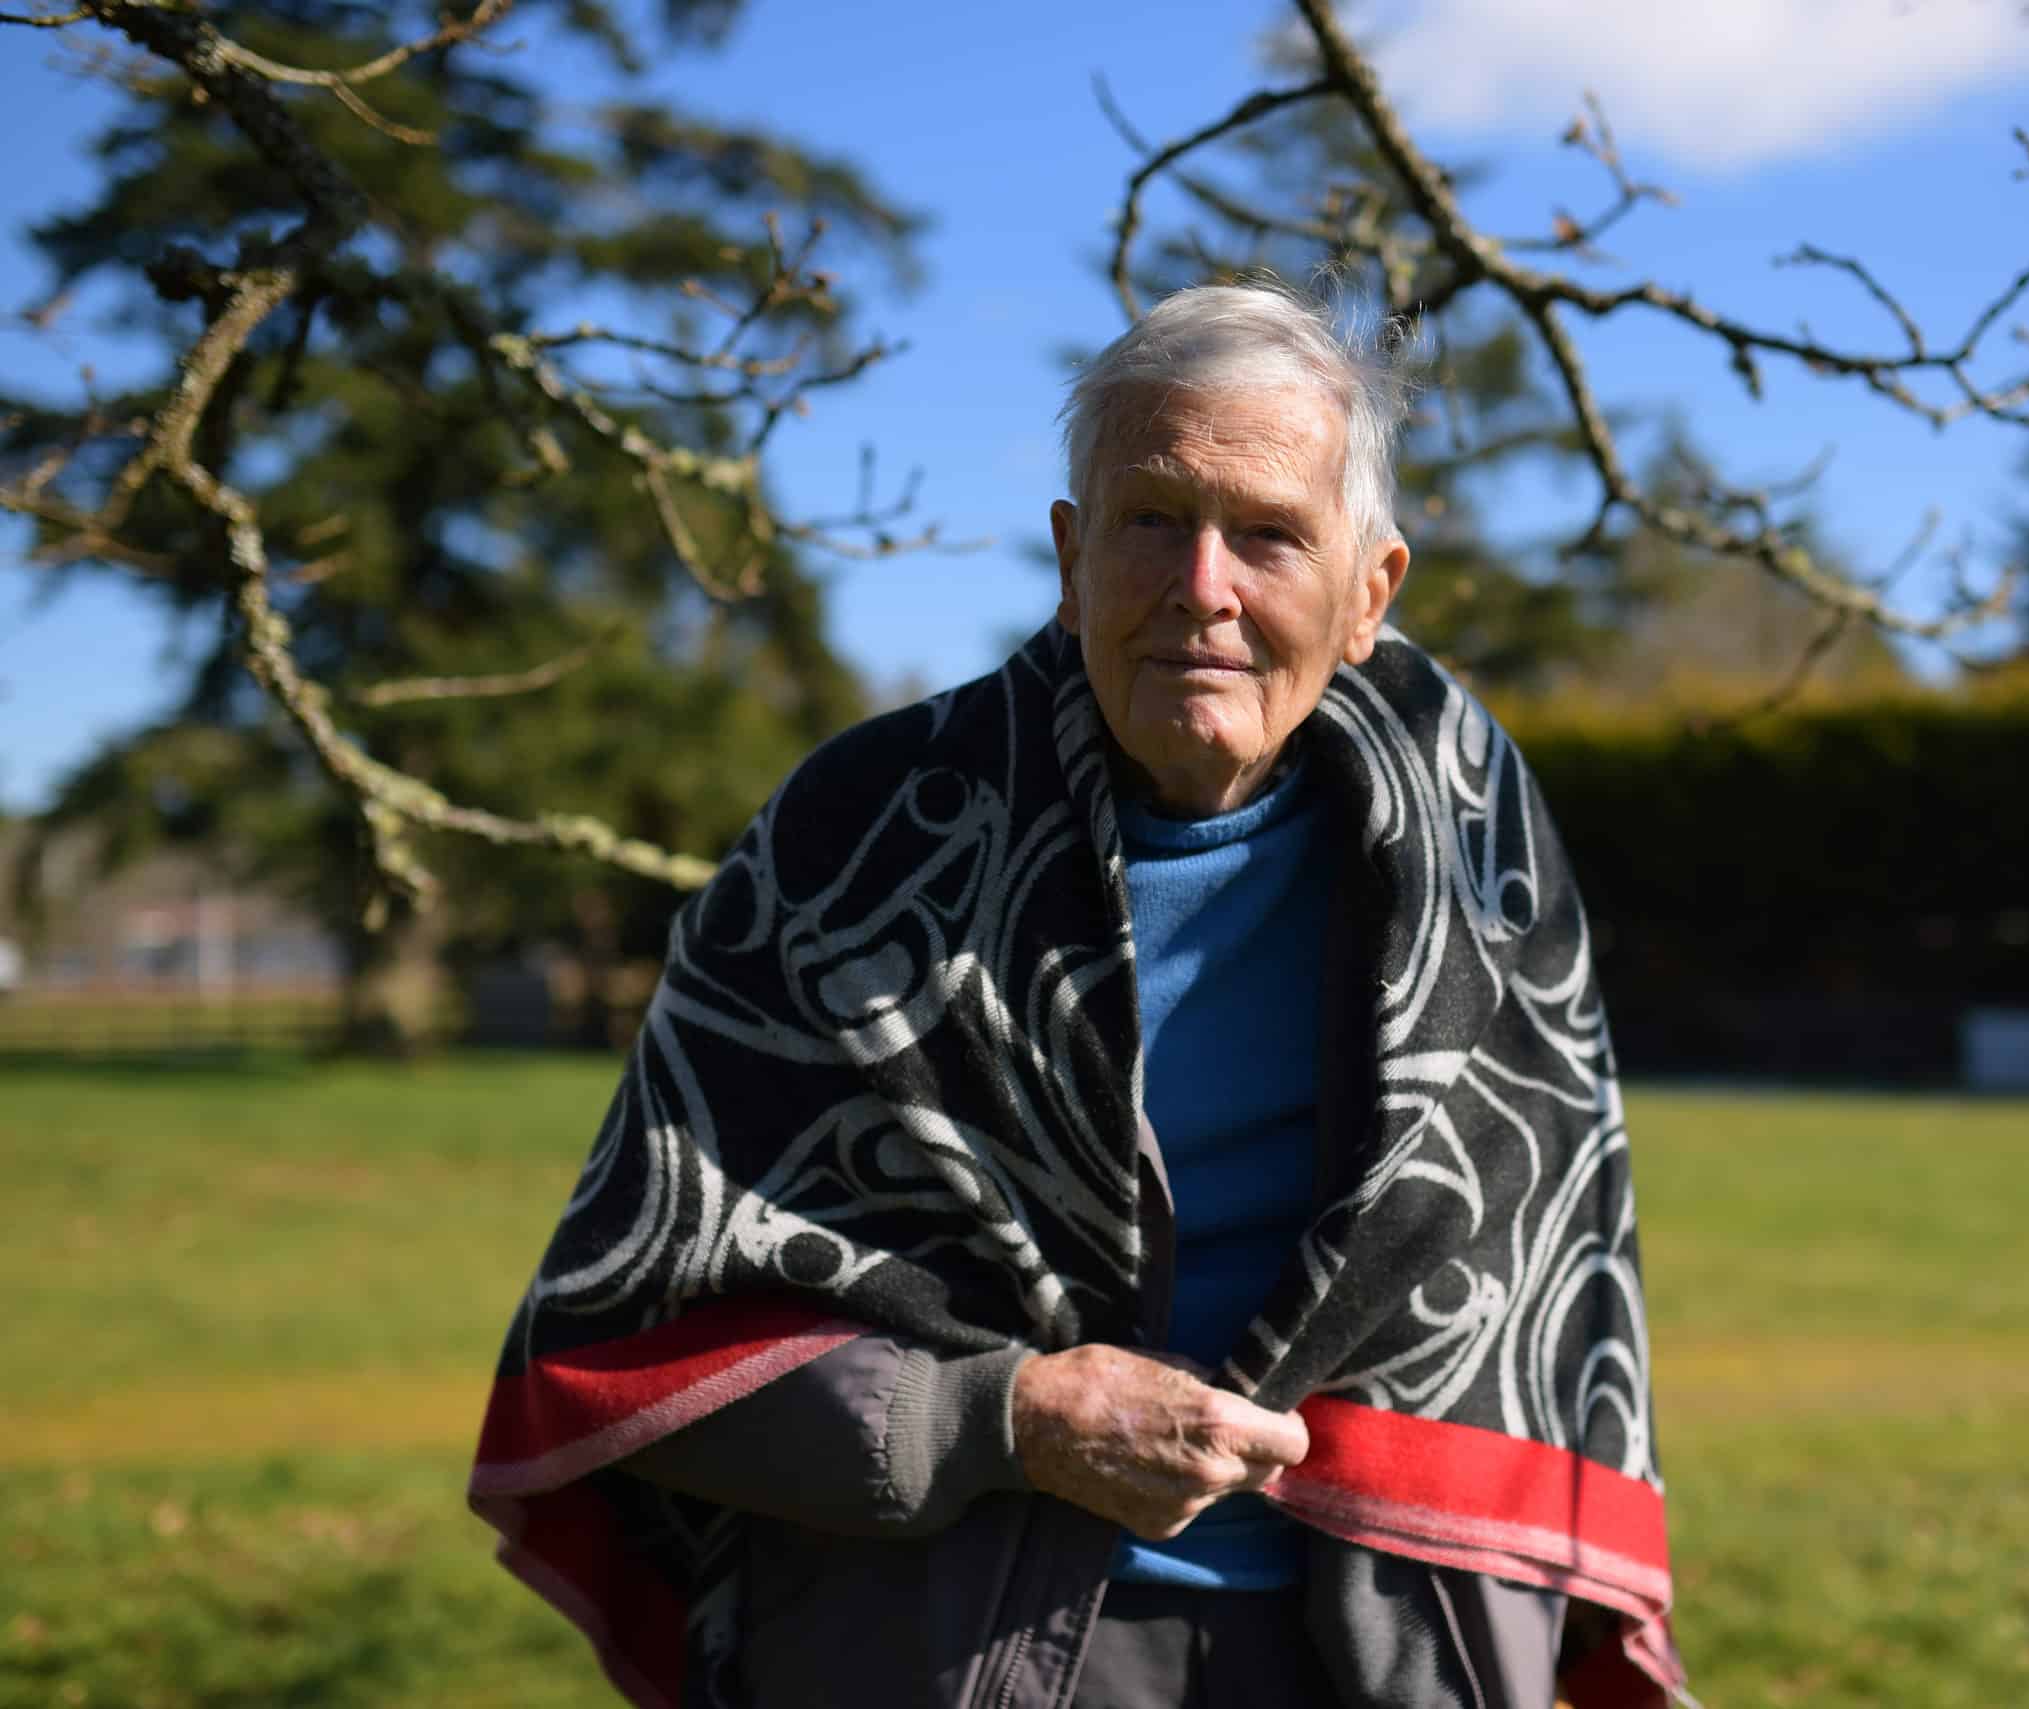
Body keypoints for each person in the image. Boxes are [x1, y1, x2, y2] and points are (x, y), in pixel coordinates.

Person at [469, 283, 1684, 1709]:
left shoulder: (1480, 855)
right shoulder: (859, 844)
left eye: (1270, 535)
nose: (1203, 586)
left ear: (1370, 591)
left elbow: (1553, 1308)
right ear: (1070, 554)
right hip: (941, 1643)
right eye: (1152, 519)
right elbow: (626, 1328)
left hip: (1380, 1647)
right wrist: (1008, 1415)